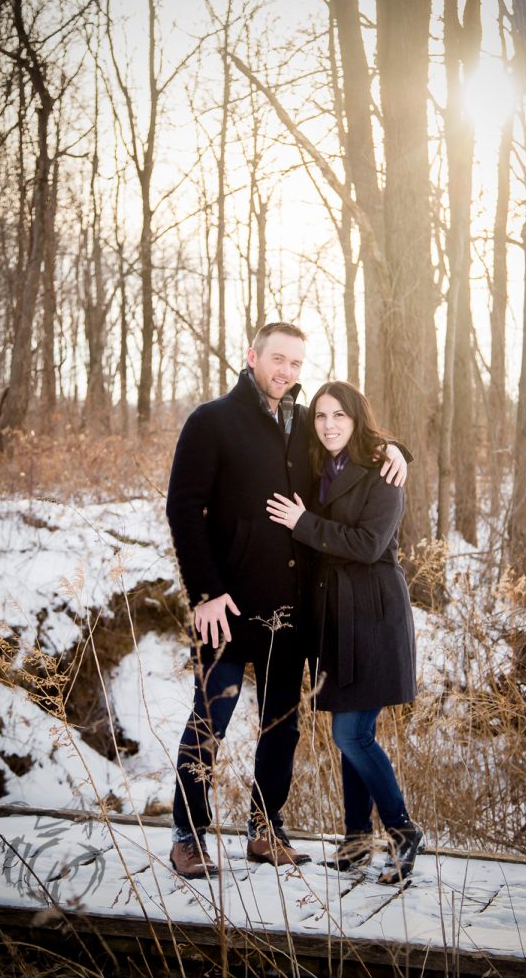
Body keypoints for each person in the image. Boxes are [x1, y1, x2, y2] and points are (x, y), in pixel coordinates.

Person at [166, 324, 410, 879]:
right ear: (252, 356)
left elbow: (351, 442)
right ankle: (188, 833)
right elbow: (183, 509)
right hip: (224, 611)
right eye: (278, 359)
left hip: (289, 613)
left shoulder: (303, 423)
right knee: (211, 719)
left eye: (296, 363)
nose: (287, 372)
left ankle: (263, 829)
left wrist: (398, 451)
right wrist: (204, 592)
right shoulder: (212, 421)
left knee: (282, 726)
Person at [266, 380, 423, 884]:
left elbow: (370, 544)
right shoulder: (318, 469)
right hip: (332, 618)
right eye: (321, 416)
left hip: (373, 616)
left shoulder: (383, 470)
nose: (330, 425)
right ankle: (357, 839)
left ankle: (401, 831)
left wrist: (304, 524)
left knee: (350, 733)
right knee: (354, 734)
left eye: (340, 416)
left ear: (357, 419)